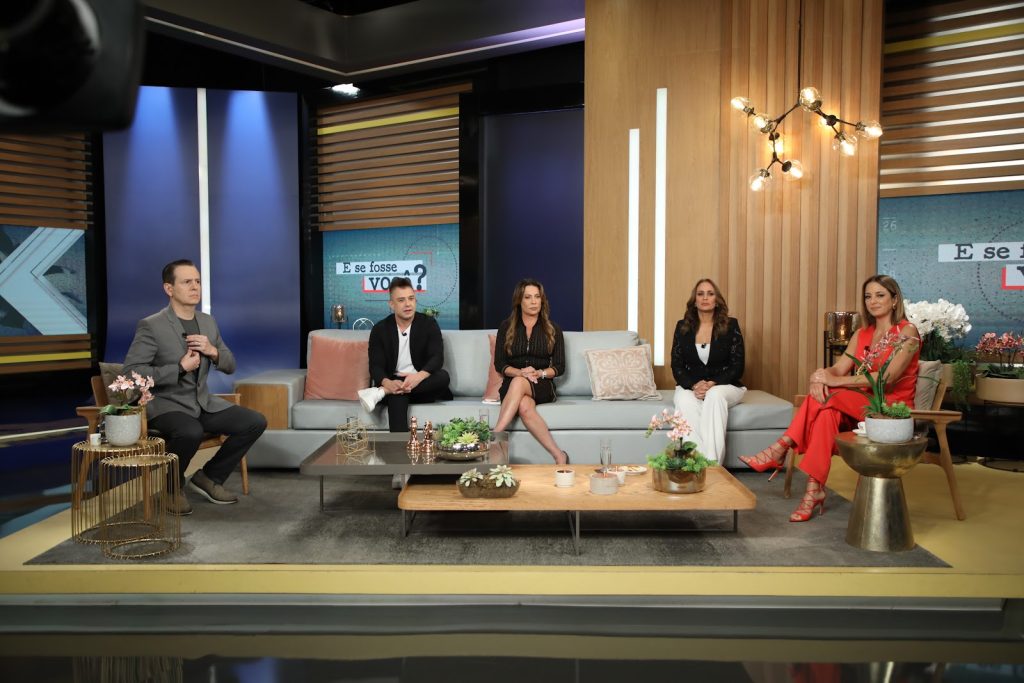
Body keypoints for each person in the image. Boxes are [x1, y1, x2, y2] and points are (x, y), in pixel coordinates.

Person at [739, 274, 920, 522]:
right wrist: (821, 377)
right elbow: (838, 368)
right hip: (859, 410)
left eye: (880, 295)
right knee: (827, 413)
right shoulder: (862, 334)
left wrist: (833, 382)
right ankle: (813, 489)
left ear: (895, 299)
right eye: (868, 296)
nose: (873, 301)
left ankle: (781, 448)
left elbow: (888, 377)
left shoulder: (907, 331)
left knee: (829, 398)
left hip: (890, 410)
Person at [123, 259, 267, 516]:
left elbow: (230, 364)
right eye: (187, 282)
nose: (195, 287)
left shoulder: (208, 322)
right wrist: (179, 368)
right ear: (169, 288)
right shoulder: (152, 325)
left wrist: (212, 351)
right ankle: (171, 488)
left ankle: (209, 477)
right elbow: (131, 374)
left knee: (254, 422)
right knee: (190, 431)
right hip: (166, 405)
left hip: (201, 402)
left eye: (198, 281)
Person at [359, 277, 452, 432]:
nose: (408, 304)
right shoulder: (380, 329)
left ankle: (382, 392)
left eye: (411, 298)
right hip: (394, 384)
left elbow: (437, 358)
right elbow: (375, 366)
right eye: (401, 300)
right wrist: (387, 383)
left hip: (422, 387)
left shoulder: (428, 324)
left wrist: (418, 377)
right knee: (397, 395)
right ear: (391, 304)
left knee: (443, 377)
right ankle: (399, 447)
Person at [493, 279, 569, 465]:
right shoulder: (506, 327)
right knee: (524, 406)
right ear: (519, 301)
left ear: (542, 300)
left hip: (541, 384)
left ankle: (495, 436)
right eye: (528, 297)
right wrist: (520, 372)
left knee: (520, 382)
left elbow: (559, 366)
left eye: (537, 297)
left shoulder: (553, 329)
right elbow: (500, 363)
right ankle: (559, 455)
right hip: (512, 384)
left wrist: (538, 373)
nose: (534, 301)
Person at [670, 278, 746, 464]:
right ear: (694, 300)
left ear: (717, 300)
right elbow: (677, 365)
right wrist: (694, 385)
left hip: (725, 386)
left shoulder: (731, 325)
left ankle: (712, 466)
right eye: (700, 294)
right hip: (692, 385)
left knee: (714, 395)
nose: (705, 298)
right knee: (684, 400)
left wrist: (712, 383)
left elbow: (737, 366)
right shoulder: (682, 326)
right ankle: (696, 463)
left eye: (710, 294)